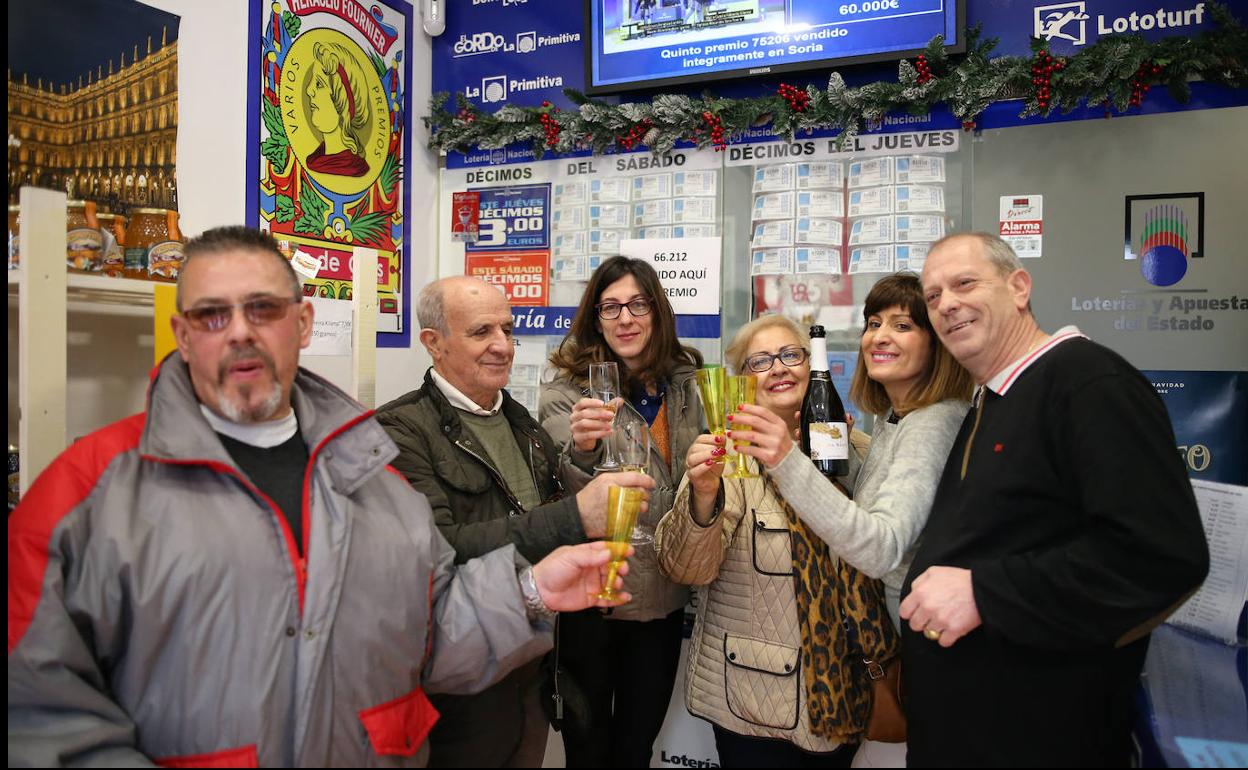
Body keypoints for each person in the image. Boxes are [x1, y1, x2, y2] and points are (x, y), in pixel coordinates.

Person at [7, 226, 639, 767]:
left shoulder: (371, 475)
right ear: (182, 331)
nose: (239, 334)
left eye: (263, 310)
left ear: (302, 323)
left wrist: (530, 590)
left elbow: (430, 633)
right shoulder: (86, 490)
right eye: (211, 315)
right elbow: (37, 711)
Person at [899, 232, 1209, 766]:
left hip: (1041, 739)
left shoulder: (1089, 384)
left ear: (1019, 287)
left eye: (964, 283)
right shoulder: (994, 397)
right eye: (932, 296)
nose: (947, 304)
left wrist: (984, 593)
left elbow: (1160, 558)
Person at [375, 276, 651, 768]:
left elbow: (544, 515)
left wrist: (586, 467)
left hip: (533, 674)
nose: (503, 346)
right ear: (433, 343)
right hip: (461, 689)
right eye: (482, 332)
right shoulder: (397, 431)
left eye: (507, 329)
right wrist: (575, 516)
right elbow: (440, 550)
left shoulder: (520, 420)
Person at [722, 274, 972, 769]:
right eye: (873, 322)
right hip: (764, 688)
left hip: (908, 653)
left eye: (903, 325)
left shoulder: (934, 421)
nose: (880, 336)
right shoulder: (894, 419)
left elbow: (880, 546)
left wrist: (785, 460)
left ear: (937, 342)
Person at [655, 315, 862, 768]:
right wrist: (705, 492)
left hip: (839, 694)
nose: (780, 368)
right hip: (752, 701)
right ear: (743, 382)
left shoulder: (855, 447)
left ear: (814, 367)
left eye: (792, 355)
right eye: (761, 361)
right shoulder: (725, 457)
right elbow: (688, 569)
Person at [541, 255, 704, 767]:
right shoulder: (567, 391)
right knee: (587, 751)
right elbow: (557, 493)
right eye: (610, 308)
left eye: (637, 304)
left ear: (657, 312)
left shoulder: (687, 384)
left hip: (662, 596)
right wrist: (585, 450)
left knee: (635, 748)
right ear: (595, 318)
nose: (625, 318)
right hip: (594, 597)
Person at [305, 41, 371, 176]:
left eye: (319, 83)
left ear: (342, 103)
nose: (308, 90)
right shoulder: (315, 159)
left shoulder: (353, 167)